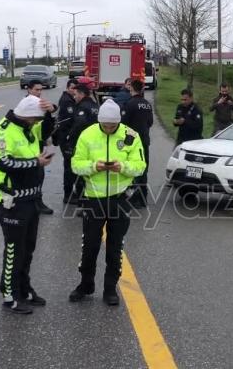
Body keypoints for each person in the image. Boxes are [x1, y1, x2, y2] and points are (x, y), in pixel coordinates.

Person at [69, 99, 146, 306]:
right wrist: (95, 166)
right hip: (93, 199)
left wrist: (122, 167)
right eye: (106, 125)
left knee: (115, 247)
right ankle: (86, 284)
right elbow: (76, 165)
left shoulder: (130, 136)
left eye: (113, 126)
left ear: (119, 123)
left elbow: (140, 166)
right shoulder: (88, 134)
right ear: (99, 121)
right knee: (90, 246)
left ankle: (110, 288)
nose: (109, 129)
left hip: (120, 199)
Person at [0, 95, 56, 315]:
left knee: (28, 249)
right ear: (26, 116)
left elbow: (45, 133)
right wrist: (35, 162)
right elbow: (4, 162)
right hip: (13, 201)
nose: (36, 124)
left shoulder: (28, 127)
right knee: (14, 250)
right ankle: (9, 295)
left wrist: (49, 114)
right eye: (35, 120)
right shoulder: (4, 130)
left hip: (32, 198)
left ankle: (24, 288)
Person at [63, 82, 99, 204]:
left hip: (81, 143)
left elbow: (79, 123)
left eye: (76, 94)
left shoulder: (83, 106)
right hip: (94, 143)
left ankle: (81, 200)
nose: (74, 97)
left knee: (76, 170)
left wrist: (69, 136)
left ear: (82, 94)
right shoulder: (95, 105)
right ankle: (87, 197)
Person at [26, 80, 58, 215]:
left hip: (38, 143)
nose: (39, 92)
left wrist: (52, 111)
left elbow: (46, 125)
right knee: (31, 175)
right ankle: (31, 202)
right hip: (27, 145)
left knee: (39, 175)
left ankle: (37, 202)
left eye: (40, 90)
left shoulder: (41, 104)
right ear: (29, 90)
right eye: (36, 90)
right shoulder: (26, 105)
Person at [121, 79, 153, 207]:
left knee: (132, 169)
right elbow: (150, 122)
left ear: (131, 89)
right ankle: (143, 197)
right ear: (142, 89)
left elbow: (123, 124)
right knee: (143, 169)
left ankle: (135, 197)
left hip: (131, 141)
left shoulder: (129, 104)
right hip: (144, 140)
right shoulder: (147, 104)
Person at [53, 78, 78, 204]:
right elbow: (70, 121)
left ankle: (70, 193)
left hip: (67, 138)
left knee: (70, 167)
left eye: (76, 88)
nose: (74, 90)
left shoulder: (70, 99)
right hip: (66, 139)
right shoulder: (67, 101)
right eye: (72, 88)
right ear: (68, 88)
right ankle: (67, 195)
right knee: (69, 168)